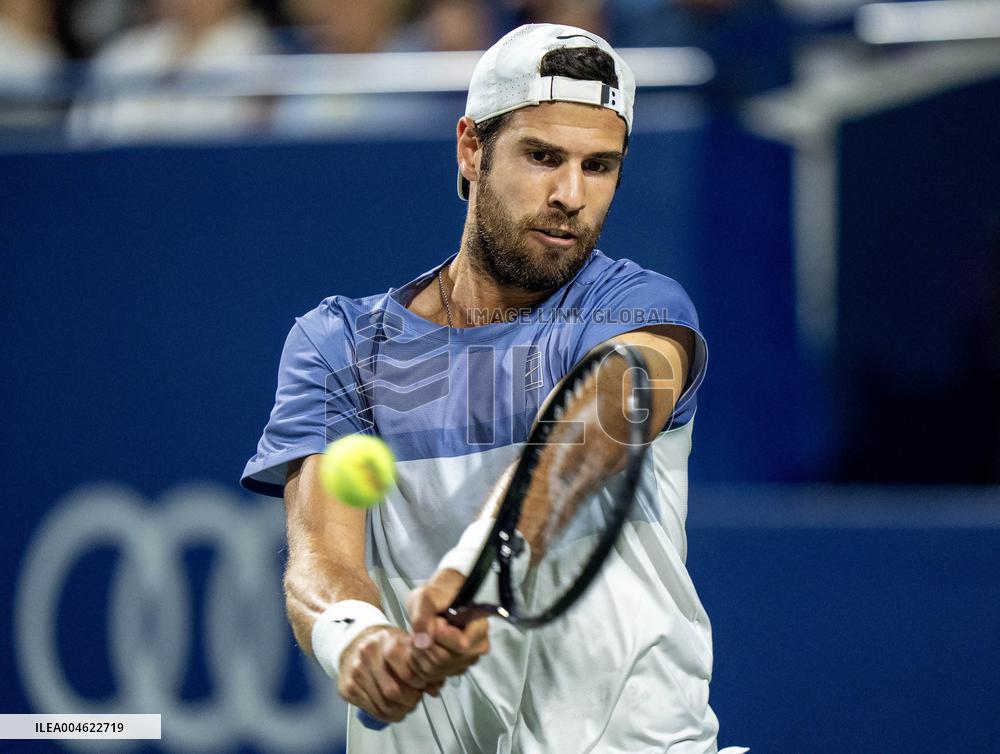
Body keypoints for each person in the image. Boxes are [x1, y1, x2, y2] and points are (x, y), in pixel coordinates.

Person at [242, 23, 747, 753]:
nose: (571, 195)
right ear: (471, 148)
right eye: (543, 157)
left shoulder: (643, 311)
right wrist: (358, 644)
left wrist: (481, 567)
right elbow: (321, 559)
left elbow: (591, 428)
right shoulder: (340, 344)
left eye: (599, 166)